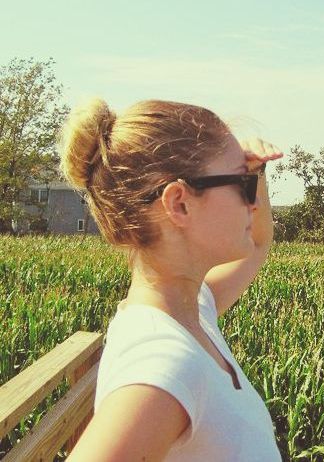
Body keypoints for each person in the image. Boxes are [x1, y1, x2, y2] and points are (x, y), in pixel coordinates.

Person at [59, 98, 284, 461]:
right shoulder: (162, 361)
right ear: (179, 203)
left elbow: (257, 243)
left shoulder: (192, 312)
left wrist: (255, 173)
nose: (253, 202)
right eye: (242, 183)